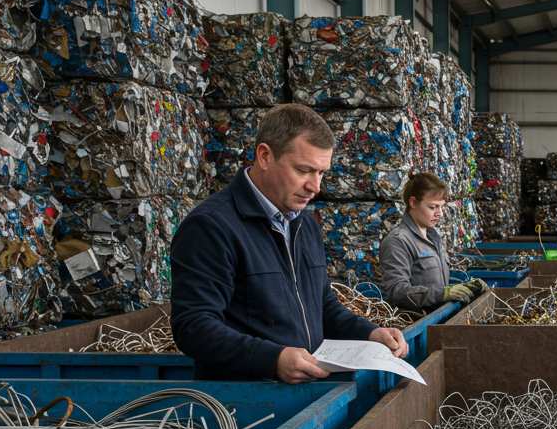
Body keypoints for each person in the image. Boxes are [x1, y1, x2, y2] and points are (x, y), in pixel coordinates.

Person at [170, 104, 408, 384]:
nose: (315, 186)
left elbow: (323, 307)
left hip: (306, 392)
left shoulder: (304, 225)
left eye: (321, 173)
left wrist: (369, 333)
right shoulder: (212, 227)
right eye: (304, 170)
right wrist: (273, 359)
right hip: (246, 403)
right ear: (265, 156)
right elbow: (194, 327)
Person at [378, 172, 486, 312]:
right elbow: (396, 291)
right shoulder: (398, 242)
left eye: (441, 206)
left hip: (439, 318)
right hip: (419, 324)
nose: (439, 213)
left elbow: (436, 280)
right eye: (433, 207)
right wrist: (442, 294)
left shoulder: (434, 236)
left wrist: (467, 286)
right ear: (413, 203)